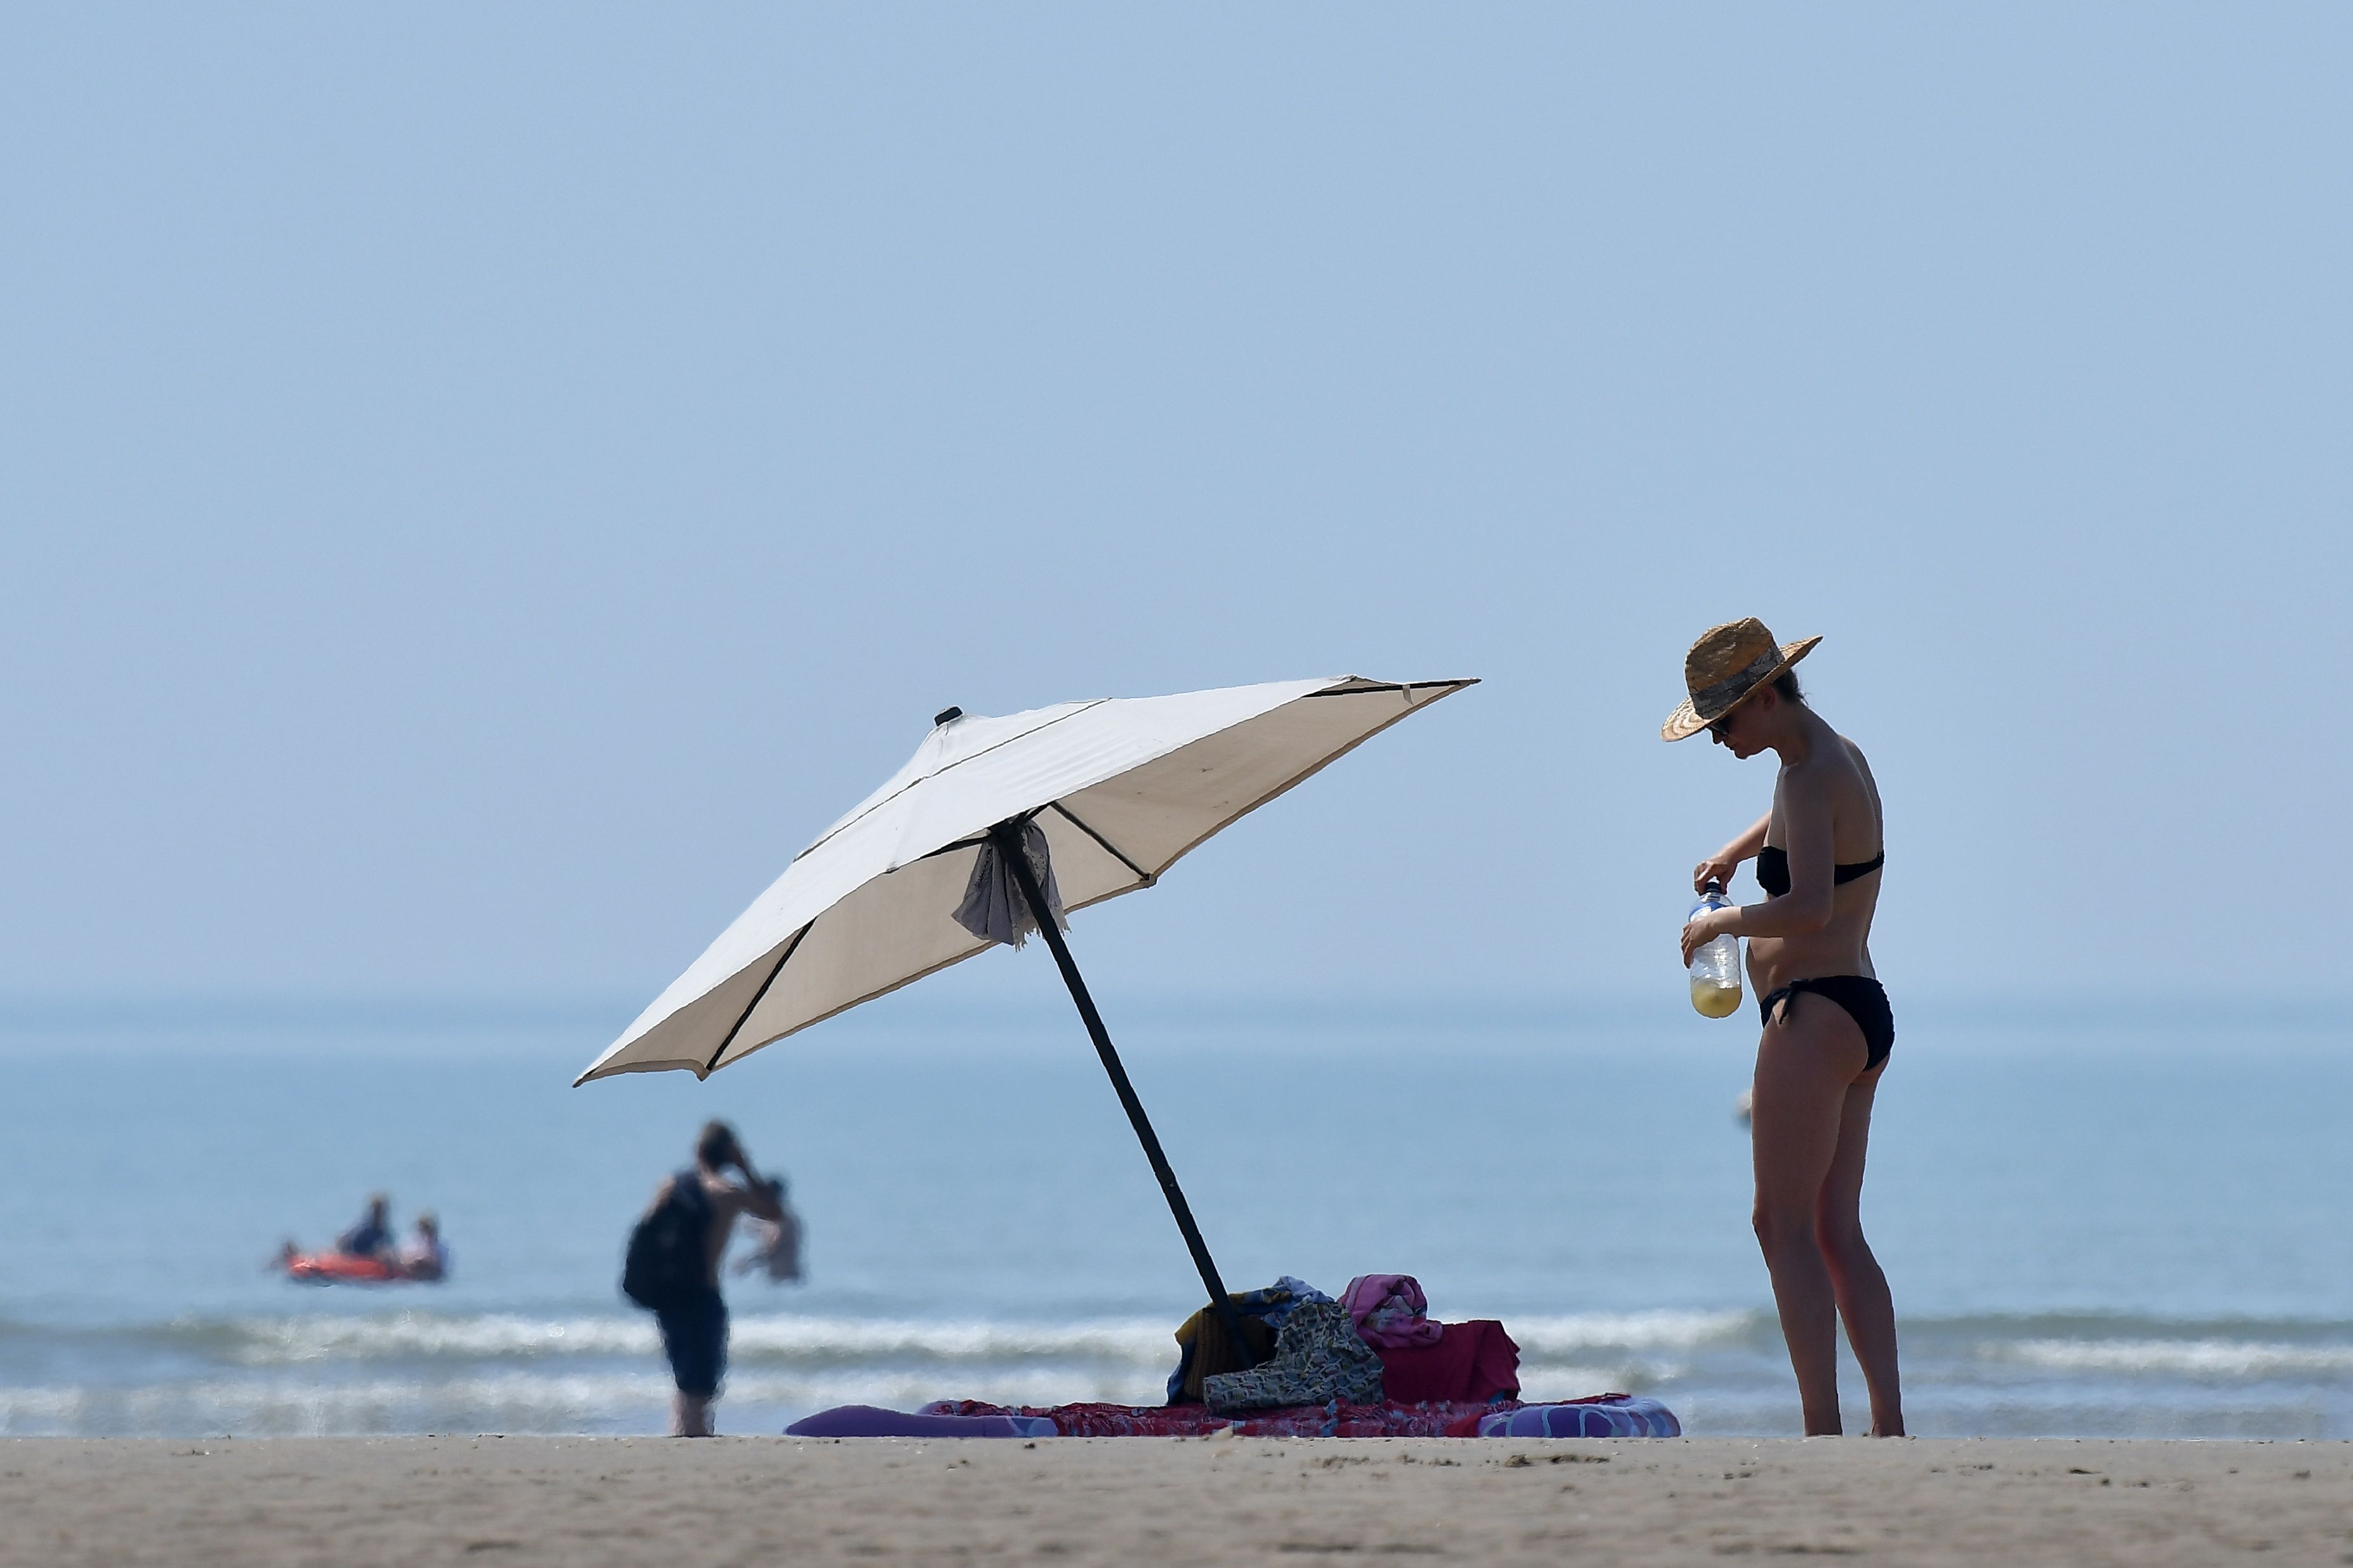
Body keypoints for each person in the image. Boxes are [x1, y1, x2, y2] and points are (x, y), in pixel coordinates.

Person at [1667, 618, 1903, 1438]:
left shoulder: (1805, 777)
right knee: (1835, 1229)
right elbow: (1798, 829)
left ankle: (1819, 1428)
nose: (1719, 740)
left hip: (1813, 1012)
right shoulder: (1828, 755)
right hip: (1859, 1012)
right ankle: (1886, 1425)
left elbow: (1808, 907)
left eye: (1723, 723)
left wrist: (1719, 923)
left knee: (1779, 1224)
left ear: (1764, 698)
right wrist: (1733, 850)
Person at [642, 1120, 785, 1436]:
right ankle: (692, 1438)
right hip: (704, 1294)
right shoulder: (728, 1194)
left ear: (698, 1150)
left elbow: (645, 1233)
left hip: (668, 1296)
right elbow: (775, 1213)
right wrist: (747, 1169)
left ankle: (680, 1436)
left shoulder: (670, 1185)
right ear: (729, 1155)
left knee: (684, 1380)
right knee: (701, 1384)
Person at [333, 1194, 394, 1261]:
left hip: (373, 1261)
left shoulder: (384, 1232)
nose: (380, 1214)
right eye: (377, 1210)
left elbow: (388, 1247)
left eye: (382, 1211)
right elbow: (347, 1243)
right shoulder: (363, 1229)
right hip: (354, 1256)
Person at [396, 1213, 448, 1281]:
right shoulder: (411, 1244)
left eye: (428, 1229)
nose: (427, 1233)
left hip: (433, 1276)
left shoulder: (442, 1247)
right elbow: (402, 1260)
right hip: (412, 1275)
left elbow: (442, 1267)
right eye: (424, 1229)